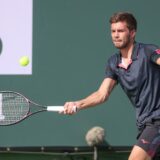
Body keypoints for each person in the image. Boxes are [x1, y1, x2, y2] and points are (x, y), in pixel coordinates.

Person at [60, 12, 160, 160]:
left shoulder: (148, 51)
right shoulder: (114, 63)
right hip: (143, 124)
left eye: (120, 31)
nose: (116, 35)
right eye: (113, 31)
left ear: (132, 33)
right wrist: (78, 104)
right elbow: (102, 95)